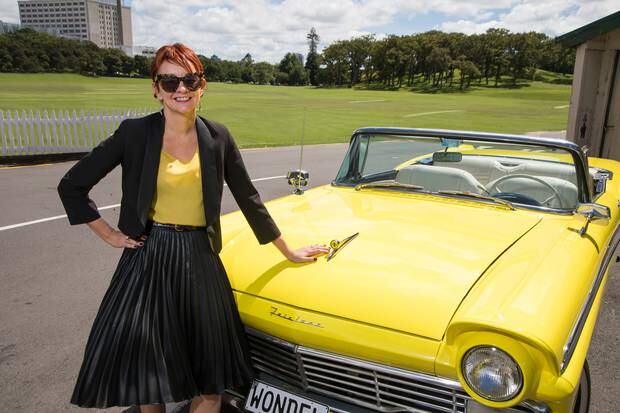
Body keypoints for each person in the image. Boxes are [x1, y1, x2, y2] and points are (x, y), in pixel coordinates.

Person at [57, 43, 329, 413]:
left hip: (200, 258)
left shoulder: (218, 136)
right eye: (169, 82)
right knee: (148, 377)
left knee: (210, 378)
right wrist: (108, 234)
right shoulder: (134, 133)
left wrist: (288, 250)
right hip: (148, 258)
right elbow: (72, 185)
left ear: (203, 85)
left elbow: (250, 199)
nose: (180, 89)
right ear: (155, 88)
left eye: (189, 79)